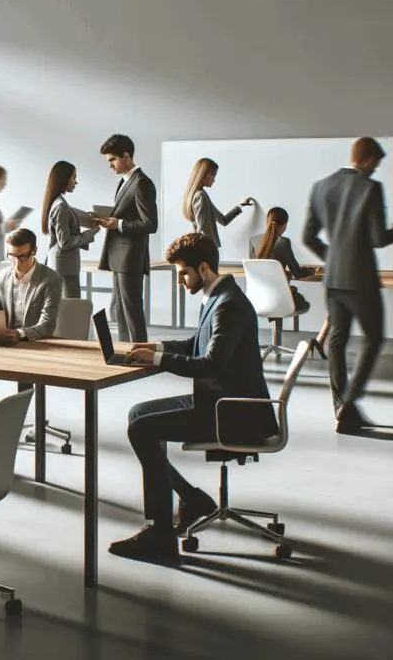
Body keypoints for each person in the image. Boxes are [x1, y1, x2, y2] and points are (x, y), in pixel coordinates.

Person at [109, 233, 276, 564]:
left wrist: (157, 360)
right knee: (137, 414)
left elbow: (211, 363)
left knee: (142, 429)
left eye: (184, 273)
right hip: (219, 402)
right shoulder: (219, 296)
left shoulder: (228, 305)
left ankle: (160, 534)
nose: (181, 281)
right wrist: (155, 348)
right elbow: (196, 343)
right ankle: (191, 498)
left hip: (231, 413)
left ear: (203, 268)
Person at [303, 136, 393, 432]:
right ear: (368, 159)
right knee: (374, 338)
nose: (375, 170)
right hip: (360, 279)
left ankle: (341, 407)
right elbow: (378, 238)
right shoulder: (370, 187)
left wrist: (334, 258)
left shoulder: (320, 186)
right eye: (376, 164)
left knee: (337, 341)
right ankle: (349, 405)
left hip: (333, 278)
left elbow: (308, 237)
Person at [96, 134, 158, 343]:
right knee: (120, 310)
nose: (110, 165)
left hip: (130, 258)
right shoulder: (126, 181)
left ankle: (141, 351)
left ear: (126, 156)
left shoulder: (142, 183)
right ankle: (124, 350)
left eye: (112, 160)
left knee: (132, 311)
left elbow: (150, 224)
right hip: (119, 257)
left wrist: (119, 224)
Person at [0, 228, 63, 343]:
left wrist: (19, 334)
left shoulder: (51, 279)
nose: (17, 263)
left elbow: (47, 324)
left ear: (34, 251)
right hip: (6, 345)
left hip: (37, 344)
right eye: (12, 257)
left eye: (22, 257)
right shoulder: (0, 278)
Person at [42, 160, 103, 297]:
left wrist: (89, 219)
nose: (76, 182)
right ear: (64, 179)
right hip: (65, 267)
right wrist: (92, 232)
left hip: (62, 264)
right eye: (74, 177)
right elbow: (65, 242)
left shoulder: (59, 203)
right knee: (71, 309)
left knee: (67, 309)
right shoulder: (61, 206)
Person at [249, 207, 317, 314]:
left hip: (258, 299)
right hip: (280, 299)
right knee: (302, 301)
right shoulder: (284, 243)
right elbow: (297, 273)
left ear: (267, 222)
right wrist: (312, 271)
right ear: (285, 225)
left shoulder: (253, 241)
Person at [182, 157, 255, 249]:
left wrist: (241, 206)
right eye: (214, 175)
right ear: (206, 174)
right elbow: (202, 228)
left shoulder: (200, 195)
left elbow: (223, 220)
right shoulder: (201, 196)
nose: (214, 180)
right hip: (206, 249)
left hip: (205, 248)